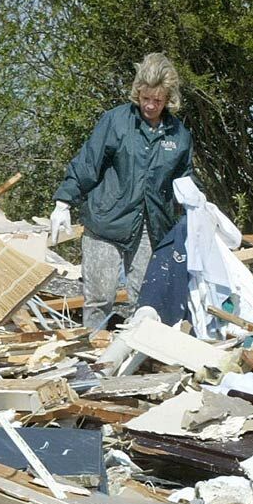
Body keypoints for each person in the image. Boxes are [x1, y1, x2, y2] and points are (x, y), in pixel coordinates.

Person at [49, 53, 192, 330]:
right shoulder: (116, 122)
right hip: (106, 223)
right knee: (100, 297)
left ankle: (136, 363)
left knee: (146, 301)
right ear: (137, 92)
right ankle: (90, 355)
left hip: (151, 228)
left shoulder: (179, 136)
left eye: (157, 100)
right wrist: (63, 201)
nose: (150, 105)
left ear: (168, 99)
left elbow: (184, 181)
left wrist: (196, 208)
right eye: (145, 98)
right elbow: (89, 162)